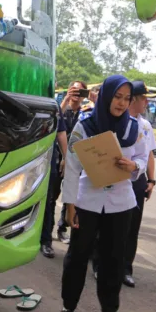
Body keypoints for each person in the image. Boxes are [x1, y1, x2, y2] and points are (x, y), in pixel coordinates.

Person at [58, 75, 149, 312]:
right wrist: (70, 205)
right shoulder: (85, 126)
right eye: (116, 97)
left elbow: (143, 157)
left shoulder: (135, 128)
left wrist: (135, 167)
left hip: (121, 204)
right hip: (87, 201)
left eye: (126, 98)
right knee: (78, 255)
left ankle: (110, 310)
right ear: (107, 96)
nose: (121, 103)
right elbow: (73, 169)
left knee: (113, 258)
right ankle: (68, 305)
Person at [93, 80, 156, 287]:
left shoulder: (145, 125)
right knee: (104, 227)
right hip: (109, 179)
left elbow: (148, 155)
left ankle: (125, 269)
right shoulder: (106, 120)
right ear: (134, 100)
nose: (146, 103)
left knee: (131, 229)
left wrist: (151, 179)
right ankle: (98, 265)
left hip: (136, 180)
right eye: (144, 99)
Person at [56, 80, 90, 244]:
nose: (76, 95)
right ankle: (45, 238)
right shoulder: (62, 108)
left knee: (71, 195)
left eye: (80, 92)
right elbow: (54, 120)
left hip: (77, 161)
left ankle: (62, 228)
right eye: (73, 91)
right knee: (51, 196)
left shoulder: (86, 113)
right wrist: (65, 100)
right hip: (58, 159)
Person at [39, 106, 68, 258]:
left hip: (46, 160)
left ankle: (45, 241)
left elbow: (61, 133)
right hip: (21, 158)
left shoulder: (52, 107)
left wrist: (65, 157)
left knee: (48, 202)